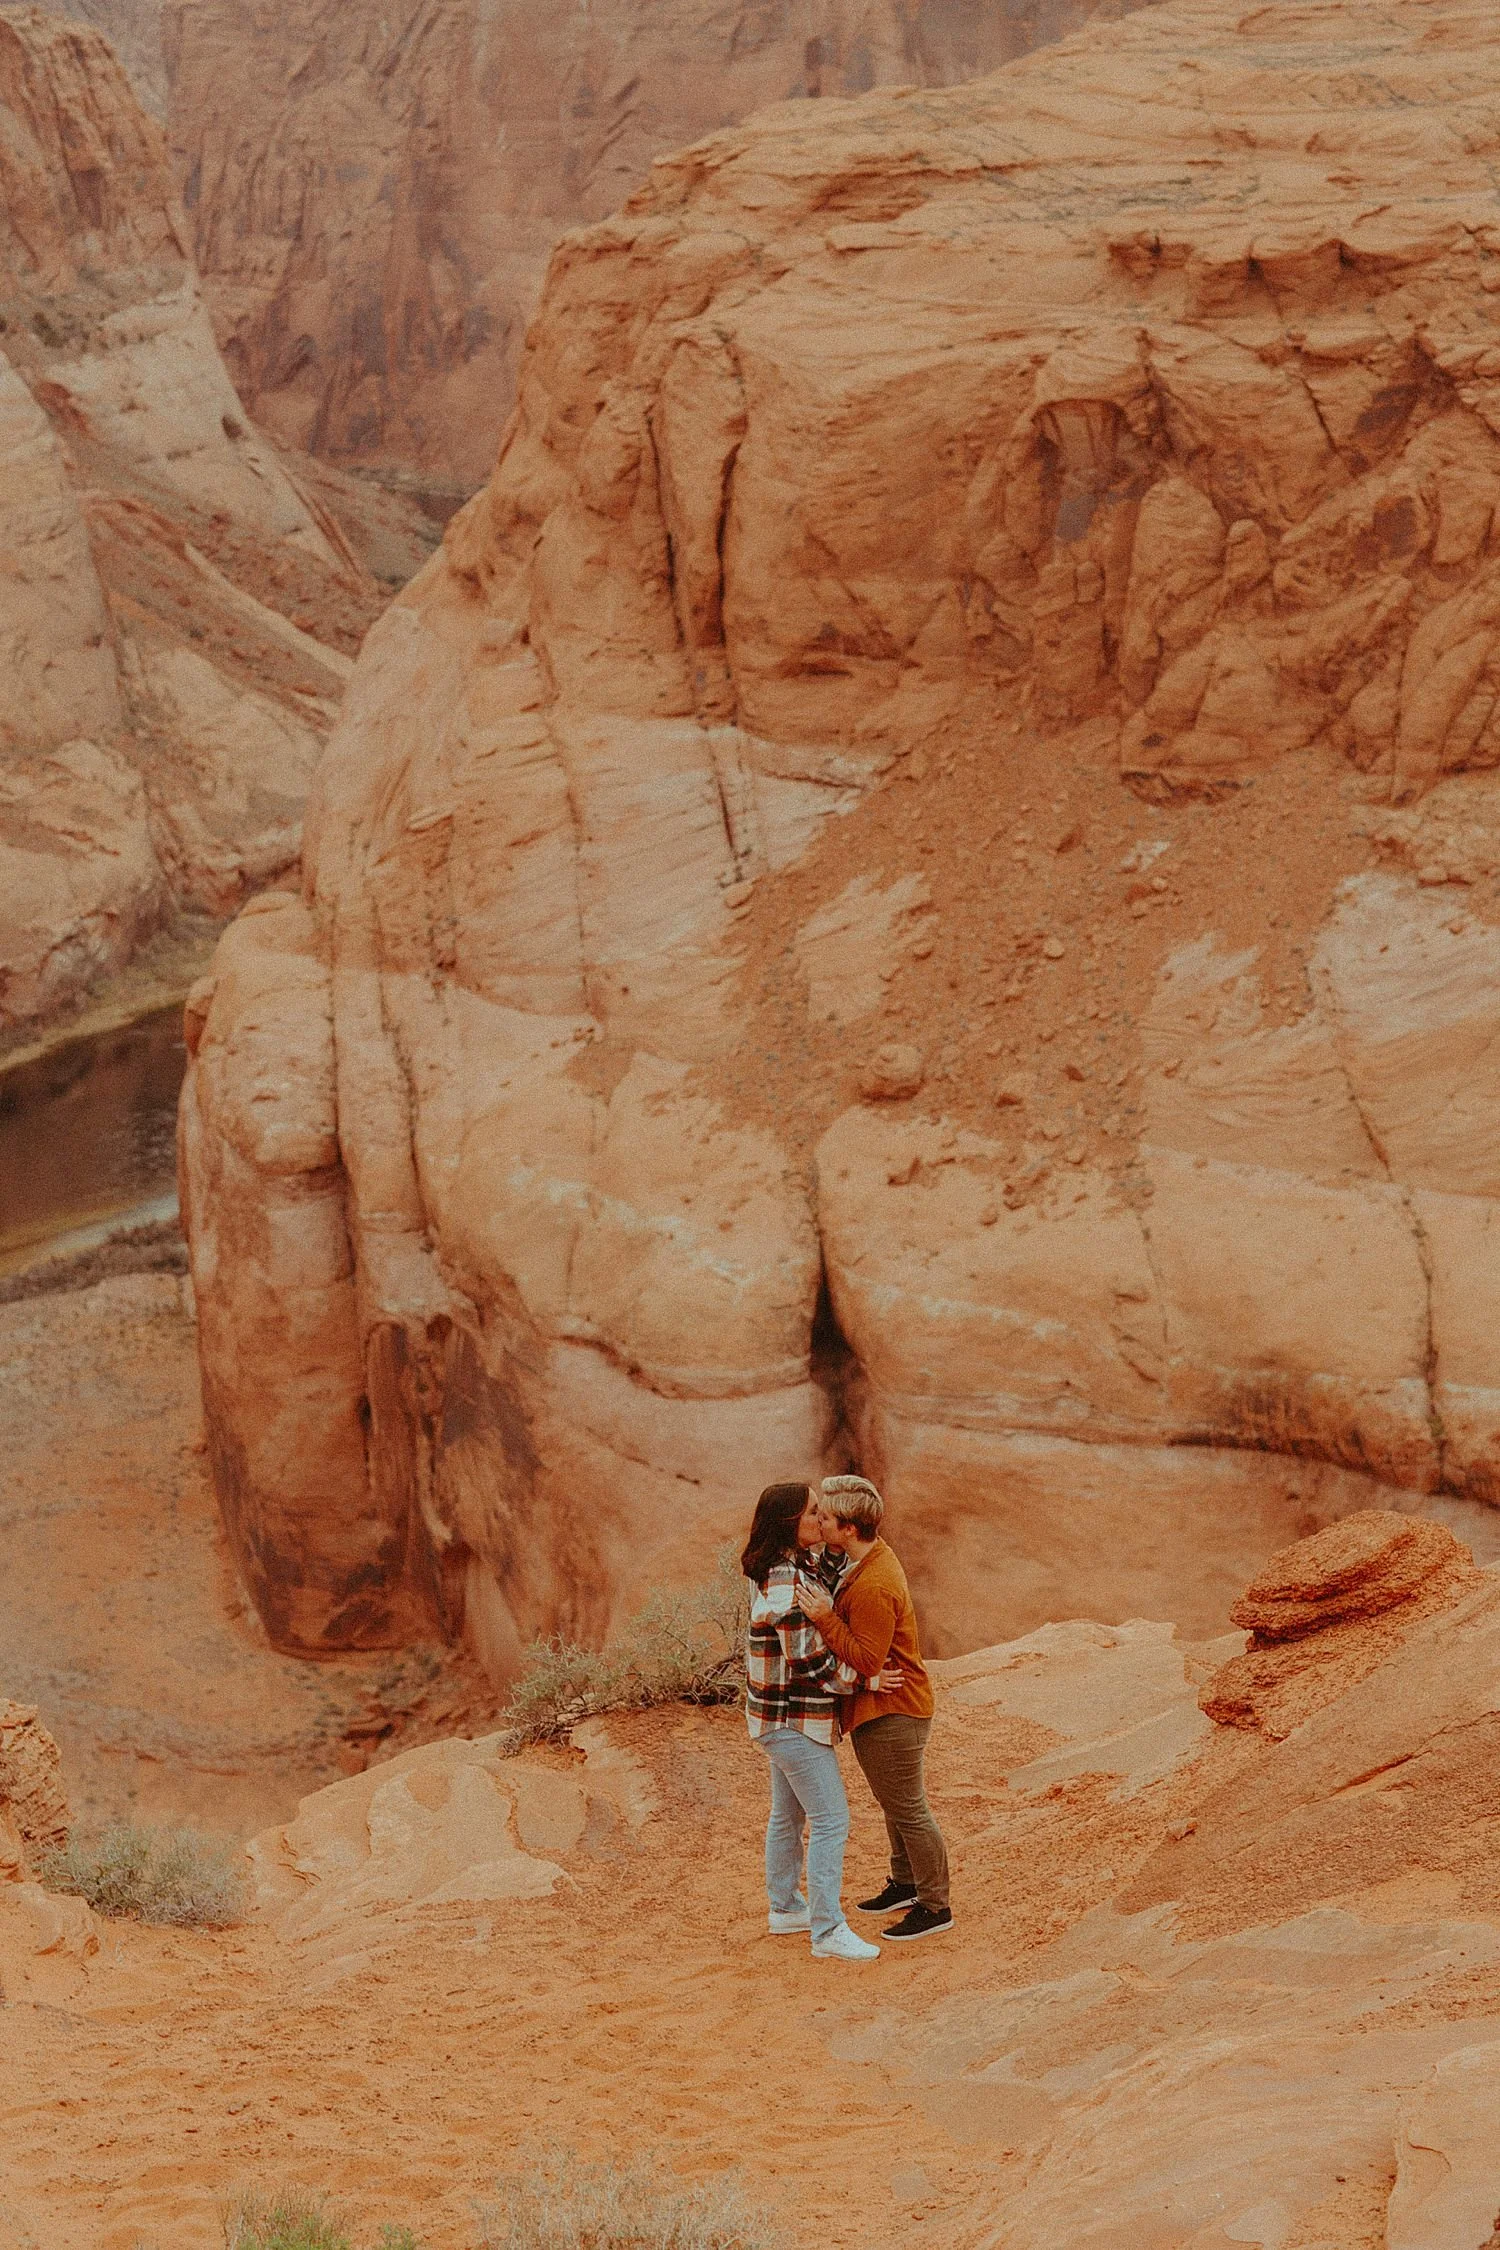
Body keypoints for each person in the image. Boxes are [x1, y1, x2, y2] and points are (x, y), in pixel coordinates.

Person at [800, 1474, 953, 1941]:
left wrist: (825, 1618)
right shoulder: (869, 1559)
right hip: (887, 1707)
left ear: (849, 1529)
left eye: (827, 1517)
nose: (820, 1522)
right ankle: (905, 1883)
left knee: (908, 1807)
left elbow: (867, 1659)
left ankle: (935, 1906)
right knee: (894, 1802)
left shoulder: (873, 1584)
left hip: (893, 1710)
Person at [740, 1480, 881, 1962]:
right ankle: (827, 1931)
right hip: (792, 1720)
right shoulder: (785, 1579)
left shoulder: (797, 1563)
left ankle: (785, 1909)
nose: (821, 1519)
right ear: (789, 1523)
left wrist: (842, 1539)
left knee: (789, 1815)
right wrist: (867, 1680)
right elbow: (807, 1660)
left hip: (779, 1718)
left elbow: (829, 1574)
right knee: (831, 1819)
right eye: (813, 1512)